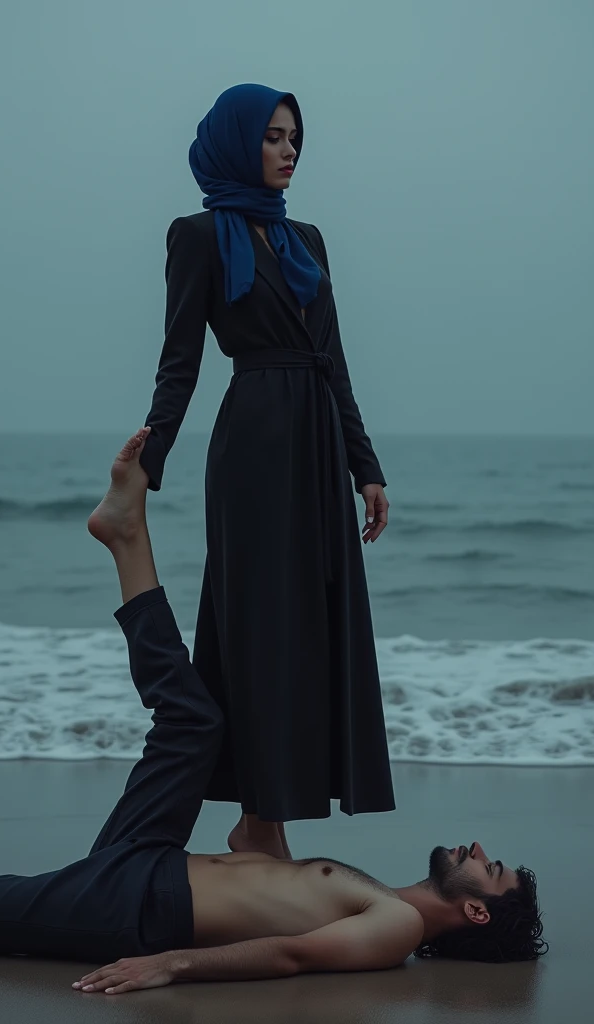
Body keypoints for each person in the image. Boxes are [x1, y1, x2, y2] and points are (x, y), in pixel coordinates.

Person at [0, 431, 547, 994]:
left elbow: (292, 955)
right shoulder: (381, 897)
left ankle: (127, 537)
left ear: (477, 913)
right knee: (194, 721)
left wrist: (169, 964)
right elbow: (259, 875)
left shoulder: (396, 929)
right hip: (152, 858)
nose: (477, 849)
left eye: (489, 869)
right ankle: (124, 533)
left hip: (133, 906)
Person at [141, 83, 395, 859]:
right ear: (236, 142)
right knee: (260, 632)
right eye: (275, 137)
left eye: (296, 139)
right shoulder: (194, 236)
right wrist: (144, 468)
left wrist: (366, 467)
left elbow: (336, 361)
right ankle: (264, 825)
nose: (289, 150)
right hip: (252, 444)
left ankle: (258, 828)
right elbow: (179, 363)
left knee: (312, 630)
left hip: (316, 440)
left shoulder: (307, 239)